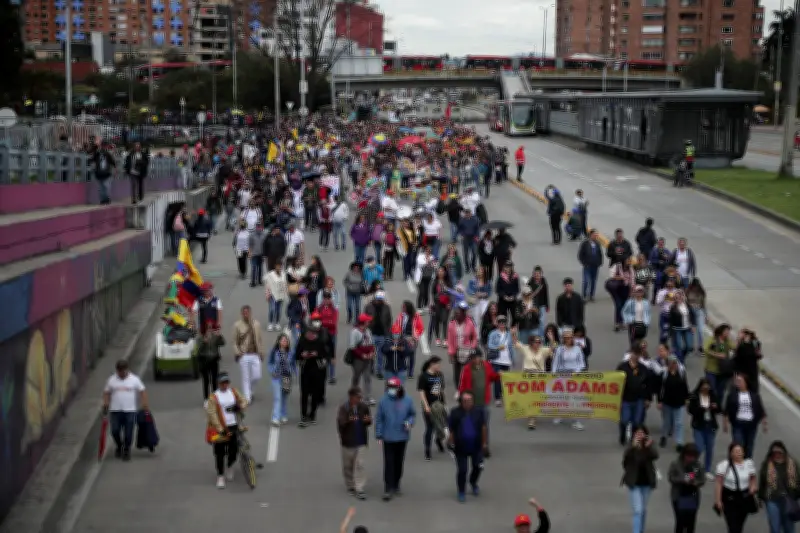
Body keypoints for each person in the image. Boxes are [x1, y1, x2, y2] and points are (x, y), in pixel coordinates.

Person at [375, 377, 416, 501]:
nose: (391, 390)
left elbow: (412, 414)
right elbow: (379, 419)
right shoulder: (383, 401)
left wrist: (409, 422)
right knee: (389, 462)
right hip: (388, 437)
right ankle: (388, 488)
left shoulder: (407, 400)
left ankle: (396, 484)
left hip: (402, 436)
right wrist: (379, 434)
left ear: (399, 388)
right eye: (390, 387)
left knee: (398, 462)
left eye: (394, 387)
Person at [205, 372, 247, 489]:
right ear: (218, 383)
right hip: (219, 429)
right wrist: (220, 428)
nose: (225, 385)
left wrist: (240, 406)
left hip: (234, 425)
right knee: (219, 453)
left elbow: (244, 400)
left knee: (234, 450)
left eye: (226, 382)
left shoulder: (233, 392)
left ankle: (229, 466)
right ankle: (220, 476)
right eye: (222, 382)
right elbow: (212, 414)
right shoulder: (214, 397)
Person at [102, 360, 148, 461]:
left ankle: (127, 449)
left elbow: (142, 391)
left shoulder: (134, 379)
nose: (121, 373)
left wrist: (144, 404)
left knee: (128, 432)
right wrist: (106, 404)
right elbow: (106, 392)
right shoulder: (111, 380)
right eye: (119, 371)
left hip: (130, 410)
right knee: (115, 431)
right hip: (115, 410)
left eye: (123, 371)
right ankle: (119, 445)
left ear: (127, 370)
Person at [458, 350, 500, 456]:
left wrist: (498, 375)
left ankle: (484, 446)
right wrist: (462, 398)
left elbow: (492, 377)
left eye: (478, 357)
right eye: (474, 358)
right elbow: (463, 385)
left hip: (484, 401)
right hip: (471, 403)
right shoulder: (467, 369)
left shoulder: (487, 366)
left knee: (484, 425)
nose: (476, 359)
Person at [448, 391, 488, 502]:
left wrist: (484, 443)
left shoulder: (479, 412)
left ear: (473, 401)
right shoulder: (455, 412)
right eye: (464, 401)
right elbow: (451, 429)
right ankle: (461, 491)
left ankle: (473, 482)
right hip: (460, 447)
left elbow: (483, 427)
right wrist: (450, 442)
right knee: (462, 470)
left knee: (478, 467)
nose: (467, 403)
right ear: (461, 401)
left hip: (476, 446)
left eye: (469, 400)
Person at [622, 425, 659, 533]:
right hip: (634, 483)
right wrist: (633, 447)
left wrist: (648, 447)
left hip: (647, 482)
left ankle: (641, 529)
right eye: (637, 433)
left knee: (643, 509)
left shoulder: (649, 445)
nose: (639, 435)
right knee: (638, 510)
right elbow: (626, 459)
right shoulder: (631, 446)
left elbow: (655, 455)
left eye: (642, 433)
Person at [715, 442, 758, 533]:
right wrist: (718, 501)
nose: (738, 453)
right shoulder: (724, 465)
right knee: (733, 526)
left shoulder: (749, 464)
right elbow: (719, 483)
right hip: (729, 498)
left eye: (740, 451)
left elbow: (753, 478)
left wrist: (753, 487)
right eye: (736, 451)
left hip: (744, 498)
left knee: (739, 525)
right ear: (731, 453)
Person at [723, 374, 768, 459]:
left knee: (749, 446)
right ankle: (736, 461)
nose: (738, 383)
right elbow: (727, 410)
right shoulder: (732, 396)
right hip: (738, 424)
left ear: (746, 382)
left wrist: (764, 423)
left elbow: (760, 410)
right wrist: (725, 423)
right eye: (737, 381)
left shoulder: (754, 396)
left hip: (751, 424)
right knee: (738, 445)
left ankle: (747, 462)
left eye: (740, 381)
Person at [337, 387, 371, 500]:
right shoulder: (344, 408)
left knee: (360, 465)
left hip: (361, 441)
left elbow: (368, 420)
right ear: (351, 397)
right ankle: (350, 485)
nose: (359, 399)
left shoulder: (364, 407)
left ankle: (359, 488)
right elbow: (340, 423)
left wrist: (368, 421)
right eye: (358, 397)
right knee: (348, 466)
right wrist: (349, 420)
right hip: (348, 442)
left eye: (360, 397)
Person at [758, 440, 799, 533]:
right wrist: (760, 497)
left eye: (779, 452)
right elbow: (762, 482)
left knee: (789, 528)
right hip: (772, 500)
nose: (777, 455)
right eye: (774, 453)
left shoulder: (792, 464)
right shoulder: (767, 465)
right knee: (774, 528)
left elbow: (798, 480)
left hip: (789, 499)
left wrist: (796, 494)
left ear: (784, 452)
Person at [616, 341, 652, 444]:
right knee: (625, 419)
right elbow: (616, 383)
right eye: (634, 353)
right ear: (631, 353)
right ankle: (623, 433)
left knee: (637, 421)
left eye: (638, 353)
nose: (636, 356)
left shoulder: (643, 368)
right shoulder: (622, 367)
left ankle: (633, 438)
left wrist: (648, 399)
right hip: (626, 398)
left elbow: (648, 384)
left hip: (639, 398)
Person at [295, 318, 328, 427]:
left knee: (315, 394)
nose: (310, 335)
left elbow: (325, 355)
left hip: (317, 370)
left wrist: (316, 354)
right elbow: (296, 355)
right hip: (305, 370)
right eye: (308, 333)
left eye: (312, 333)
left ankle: (313, 414)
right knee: (304, 394)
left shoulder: (320, 342)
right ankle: (303, 415)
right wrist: (302, 355)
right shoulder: (302, 341)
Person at [687, 377, 721, 480]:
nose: (706, 388)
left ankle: (707, 469)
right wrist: (701, 409)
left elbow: (720, 409)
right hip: (699, 425)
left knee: (710, 448)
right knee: (699, 448)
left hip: (710, 425)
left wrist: (715, 407)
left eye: (707, 386)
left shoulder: (713, 396)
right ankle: (693, 470)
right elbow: (691, 410)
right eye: (704, 385)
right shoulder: (695, 396)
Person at [668, 443, 705, 533]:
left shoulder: (697, 465)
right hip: (678, 495)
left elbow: (702, 479)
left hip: (692, 495)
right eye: (689, 456)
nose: (691, 459)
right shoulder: (676, 464)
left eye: (693, 457)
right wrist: (683, 480)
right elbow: (671, 477)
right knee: (680, 520)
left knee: (691, 521)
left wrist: (695, 482)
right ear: (684, 454)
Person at [418, 356, 448, 460]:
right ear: (432, 364)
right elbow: (421, 392)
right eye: (437, 364)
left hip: (439, 405)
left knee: (442, 425)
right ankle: (427, 450)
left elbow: (441, 389)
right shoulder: (424, 376)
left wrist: (444, 403)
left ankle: (439, 440)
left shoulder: (440, 375)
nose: (439, 366)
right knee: (430, 428)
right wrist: (426, 406)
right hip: (429, 405)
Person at [232, 305, 264, 405]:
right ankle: (247, 397)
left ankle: (250, 390)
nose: (246, 314)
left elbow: (259, 339)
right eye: (244, 313)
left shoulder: (256, 324)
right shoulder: (237, 325)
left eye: (247, 312)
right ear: (241, 314)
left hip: (255, 354)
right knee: (245, 377)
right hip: (244, 354)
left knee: (257, 376)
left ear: (250, 313)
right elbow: (234, 341)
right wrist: (238, 352)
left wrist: (261, 352)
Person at [658, 354, 689, 450]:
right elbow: (660, 389)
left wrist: (686, 398)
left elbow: (685, 386)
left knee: (679, 423)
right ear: (668, 364)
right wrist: (660, 401)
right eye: (672, 363)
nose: (674, 365)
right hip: (667, 402)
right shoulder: (664, 374)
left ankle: (679, 442)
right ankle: (664, 436)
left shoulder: (681, 372)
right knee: (667, 422)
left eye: (675, 363)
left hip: (679, 402)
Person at [447, 301, 479, 394]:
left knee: (468, 372)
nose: (458, 314)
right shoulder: (451, 324)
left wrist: (472, 347)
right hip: (456, 351)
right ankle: (458, 390)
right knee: (457, 372)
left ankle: (468, 389)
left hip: (467, 350)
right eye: (457, 312)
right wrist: (451, 353)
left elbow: (474, 337)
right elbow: (450, 340)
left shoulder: (470, 323)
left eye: (461, 312)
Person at [268, 333, 295, 426]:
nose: (284, 342)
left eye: (286, 341)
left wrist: (293, 371)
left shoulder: (290, 352)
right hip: (276, 377)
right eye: (283, 340)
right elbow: (270, 363)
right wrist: (272, 371)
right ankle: (275, 418)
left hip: (286, 377)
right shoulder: (274, 352)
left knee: (284, 397)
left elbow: (293, 364)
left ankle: (283, 414)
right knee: (277, 397)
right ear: (279, 341)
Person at [486, 315, 514, 407]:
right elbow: (489, 345)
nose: (502, 325)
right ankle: (497, 398)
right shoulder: (493, 333)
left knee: (505, 379)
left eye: (504, 323)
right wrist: (498, 347)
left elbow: (511, 347)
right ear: (497, 324)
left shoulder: (508, 334)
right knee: (497, 379)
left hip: (506, 360)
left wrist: (513, 358)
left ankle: (502, 393)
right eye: (500, 323)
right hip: (496, 360)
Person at [393, 300, 424, 379]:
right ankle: (403, 367)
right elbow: (396, 325)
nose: (402, 308)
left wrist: (415, 336)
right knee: (401, 353)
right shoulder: (401, 316)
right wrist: (396, 335)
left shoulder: (416, 316)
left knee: (411, 354)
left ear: (408, 308)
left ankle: (410, 372)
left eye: (404, 307)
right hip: (402, 337)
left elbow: (420, 328)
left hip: (412, 338)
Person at [365, 290, 392, 379]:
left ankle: (379, 371)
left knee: (380, 354)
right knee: (371, 352)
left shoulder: (387, 308)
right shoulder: (368, 307)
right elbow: (364, 319)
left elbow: (389, 321)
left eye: (381, 299)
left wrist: (388, 333)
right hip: (371, 333)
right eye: (378, 299)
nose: (379, 301)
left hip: (382, 334)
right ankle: (371, 367)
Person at [350, 313, 376, 405]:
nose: (369, 322)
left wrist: (372, 352)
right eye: (368, 321)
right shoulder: (355, 332)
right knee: (356, 377)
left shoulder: (368, 331)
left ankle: (367, 397)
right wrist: (362, 355)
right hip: (358, 360)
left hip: (368, 359)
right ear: (363, 322)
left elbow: (371, 343)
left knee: (367, 378)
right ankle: (354, 396)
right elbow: (352, 347)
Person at [197, 326, 225, 404]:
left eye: (211, 328)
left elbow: (222, 343)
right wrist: (204, 342)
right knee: (206, 381)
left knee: (214, 380)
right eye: (208, 329)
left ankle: (215, 398)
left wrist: (220, 336)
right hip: (204, 361)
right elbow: (198, 350)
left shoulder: (215, 337)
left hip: (214, 361)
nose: (209, 330)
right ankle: (206, 399)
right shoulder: (200, 338)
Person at [577, 229, 604, 301]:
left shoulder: (597, 243)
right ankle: (584, 295)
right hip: (587, 266)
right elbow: (580, 254)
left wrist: (600, 262)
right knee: (586, 280)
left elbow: (600, 253)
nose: (596, 236)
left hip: (595, 266)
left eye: (596, 235)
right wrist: (584, 263)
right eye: (594, 235)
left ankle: (592, 295)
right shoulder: (585, 243)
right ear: (590, 235)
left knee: (593, 281)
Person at [264, 261, 289, 332]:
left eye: (280, 266)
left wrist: (286, 292)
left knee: (278, 310)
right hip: (272, 295)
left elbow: (285, 284)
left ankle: (277, 323)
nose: (279, 267)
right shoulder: (270, 274)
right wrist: (267, 294)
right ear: (275, 266)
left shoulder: (284, 274)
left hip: (280, 295)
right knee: (272, 309)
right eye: (278, 266)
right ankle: (270, 323)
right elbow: (267, 285)